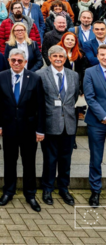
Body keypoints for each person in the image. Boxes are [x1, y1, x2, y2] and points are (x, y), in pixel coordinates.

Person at [0, 48, 44, 212]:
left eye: (20, 61)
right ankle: (8, 191)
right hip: (8, 127)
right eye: (13, 60)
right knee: (9, 161)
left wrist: (40, 130)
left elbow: (40, 106)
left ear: (25, 62)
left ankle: (30, 194)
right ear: (8, 61)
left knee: (29, 163)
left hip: (28, 129)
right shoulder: (1, 76)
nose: (16, 63)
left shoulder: (35, 78)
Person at [37, 45, 80, 206]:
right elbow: (39, 101)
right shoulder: (40, 74)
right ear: (49, 58)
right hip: (50, 123)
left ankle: (63, 188)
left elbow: (73, 98)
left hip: (69, 124)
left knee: (65, 159)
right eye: (55, 56)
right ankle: (47, 189)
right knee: (49, 159)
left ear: (65, 58)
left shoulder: (73, 75)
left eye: (61, 56)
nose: (58, 59)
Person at [83, 44, 106, 206]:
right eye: (102, 54)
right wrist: (103, 116)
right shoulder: (90, 72)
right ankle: (95, 191)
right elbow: (90, 97)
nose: (105, 57)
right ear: (97, 56)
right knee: (96, 158)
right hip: (97, 123)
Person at [58, 32, 88, 137]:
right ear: (63, 40)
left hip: (75, 86)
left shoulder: (80, 53)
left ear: (75, 42)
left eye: (72, 40)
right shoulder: (57, 52)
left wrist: (82, 87)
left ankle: (72, 137)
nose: (70, 42)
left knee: (73, 112)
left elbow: (83, 71)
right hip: (61, 85)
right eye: (68, 39)